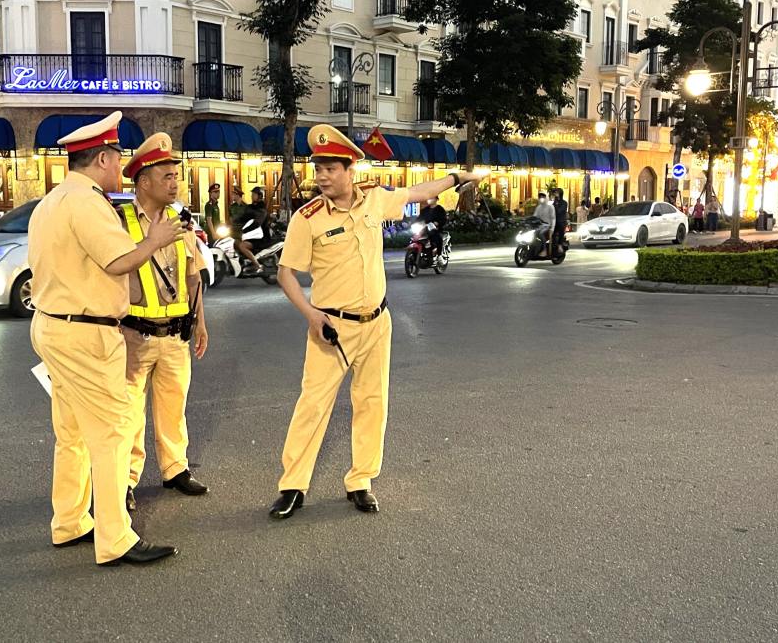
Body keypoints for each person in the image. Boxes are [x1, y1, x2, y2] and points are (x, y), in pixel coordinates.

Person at [269, 124, 483, 519]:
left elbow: (418, 192)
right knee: (313, 406)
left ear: (350, 171)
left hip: (376, 323)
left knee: (372, 404)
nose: (322, 177)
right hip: (332, 329)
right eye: (318, 169)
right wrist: (312, 314)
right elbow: (286, 274)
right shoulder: (307, 218)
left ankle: (361, 481)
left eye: (330, 169)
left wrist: (458, 177)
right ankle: (293, 486)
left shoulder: (373, 200)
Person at [27, 112, 183, 568]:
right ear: (101, 159)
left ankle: (70, 521)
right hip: (86, 333)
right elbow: (118, 261)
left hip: (53, 326)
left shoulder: (51, 201)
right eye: (117, 158)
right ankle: (115, 538)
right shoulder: (88, 202)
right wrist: (154, 239)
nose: (120, 167)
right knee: (114, 431)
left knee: (72, 433)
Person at [118, 134, 210, 514]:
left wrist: (200, 323)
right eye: (167, 177)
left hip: (175, 335)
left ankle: (175, 469)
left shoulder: (181, 223)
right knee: (128, 414)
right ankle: (124, 480)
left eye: (176, 176)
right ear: (144, 182)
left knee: (174, 406)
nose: (175, 183)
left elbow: (193, 275)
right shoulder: (119, 223)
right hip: (133, 335)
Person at [235, 186, 271, 272]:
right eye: (252, 194)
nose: (252, 196)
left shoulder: (261, 209)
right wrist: (232, 223)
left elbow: (257, 223)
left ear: (260, 196)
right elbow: (243, 218)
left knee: (242, 245)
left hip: (260, 237)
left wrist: (246, 230)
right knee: (234, 242)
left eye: (254, 194)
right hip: (250, 236)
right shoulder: (250, 207)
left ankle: (257, 265)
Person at [532, 192, 555, 256]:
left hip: (547, 225)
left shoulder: (550, 207)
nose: (541, 198)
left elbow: (553, 218)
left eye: (543, 197)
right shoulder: (538, 207)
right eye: (540, 197)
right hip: (539, 225)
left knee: (541, 234)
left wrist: (552, 229)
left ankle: (544, 250)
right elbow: (535, 216)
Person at [551, 188, 568, 253]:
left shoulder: (564, 203)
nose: (556, 194)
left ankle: (560, 245)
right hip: (554, 221)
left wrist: (555, 204)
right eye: (555, 193)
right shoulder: (554, 203)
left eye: (557, 193)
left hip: (561, 221)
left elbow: (559, 211)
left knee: (560, 231)